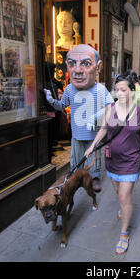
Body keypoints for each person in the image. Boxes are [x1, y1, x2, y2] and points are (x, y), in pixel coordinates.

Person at [84, 73, 140, 255]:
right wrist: (92, 146)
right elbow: (104, 129)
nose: (119, 93)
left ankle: (124, 233)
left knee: (123, 197)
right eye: (117, 90)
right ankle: (124, 206)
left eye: (123, 90)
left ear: (132, 91)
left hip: (130, 161)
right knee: (118, 192)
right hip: (112, 160)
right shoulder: (110, 109)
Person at [44, 44, 114, 192]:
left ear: (98, 67)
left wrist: (95, 117)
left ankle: (94, 178)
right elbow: (62, 105)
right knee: (76, 159)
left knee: (93, 157)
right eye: (71, 63)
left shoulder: (100, 89)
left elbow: (112, 107)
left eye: (86, 64)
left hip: (93, 134)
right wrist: (50, 100)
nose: (77, 70)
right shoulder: (69, 89)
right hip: (76, 134)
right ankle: (77, 177)